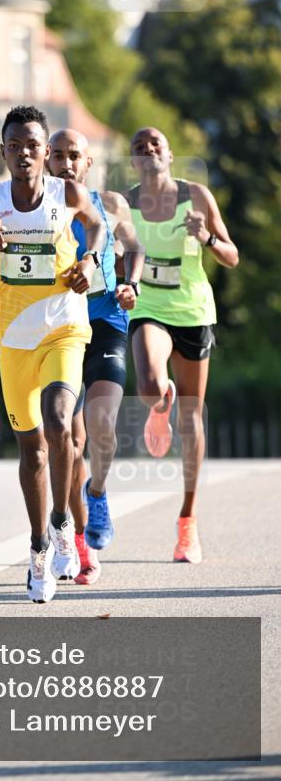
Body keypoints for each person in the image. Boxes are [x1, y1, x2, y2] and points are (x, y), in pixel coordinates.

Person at [0, 105, 106, 603]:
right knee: (32, 450)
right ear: (3, 152)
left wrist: (90, 259)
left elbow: (98, 227)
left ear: (46, 152)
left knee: (61, 422)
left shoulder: (68, 194)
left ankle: (63, 522)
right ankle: (39, 546)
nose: (24, 153)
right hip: (14, 338)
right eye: (15, 146)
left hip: (65, 327)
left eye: (33, 146)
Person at [126, 127, 239, 563]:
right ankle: (159, 405)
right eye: (140, 147)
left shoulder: (197, 197)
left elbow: (232, 256)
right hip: (148, 308)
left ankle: (188, 520)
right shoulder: (126, 205)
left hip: (192, 312)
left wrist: (207, 237)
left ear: (169, 154)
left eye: (155, 144)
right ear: (133, 162)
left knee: (192, 418)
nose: (148, 150)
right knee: (148, 385)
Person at [48, 129, 145, 584]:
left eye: (75, 156)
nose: (66, 163)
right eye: (58, 155)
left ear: (88, 163)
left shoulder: (111, 204)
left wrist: (132, 284)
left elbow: (135, 248)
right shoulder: (36, 209)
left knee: (102, 426)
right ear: (47, 161)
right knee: (69, 440)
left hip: (106, 319)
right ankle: (80, 541)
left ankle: (99, 492)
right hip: (58, 327)